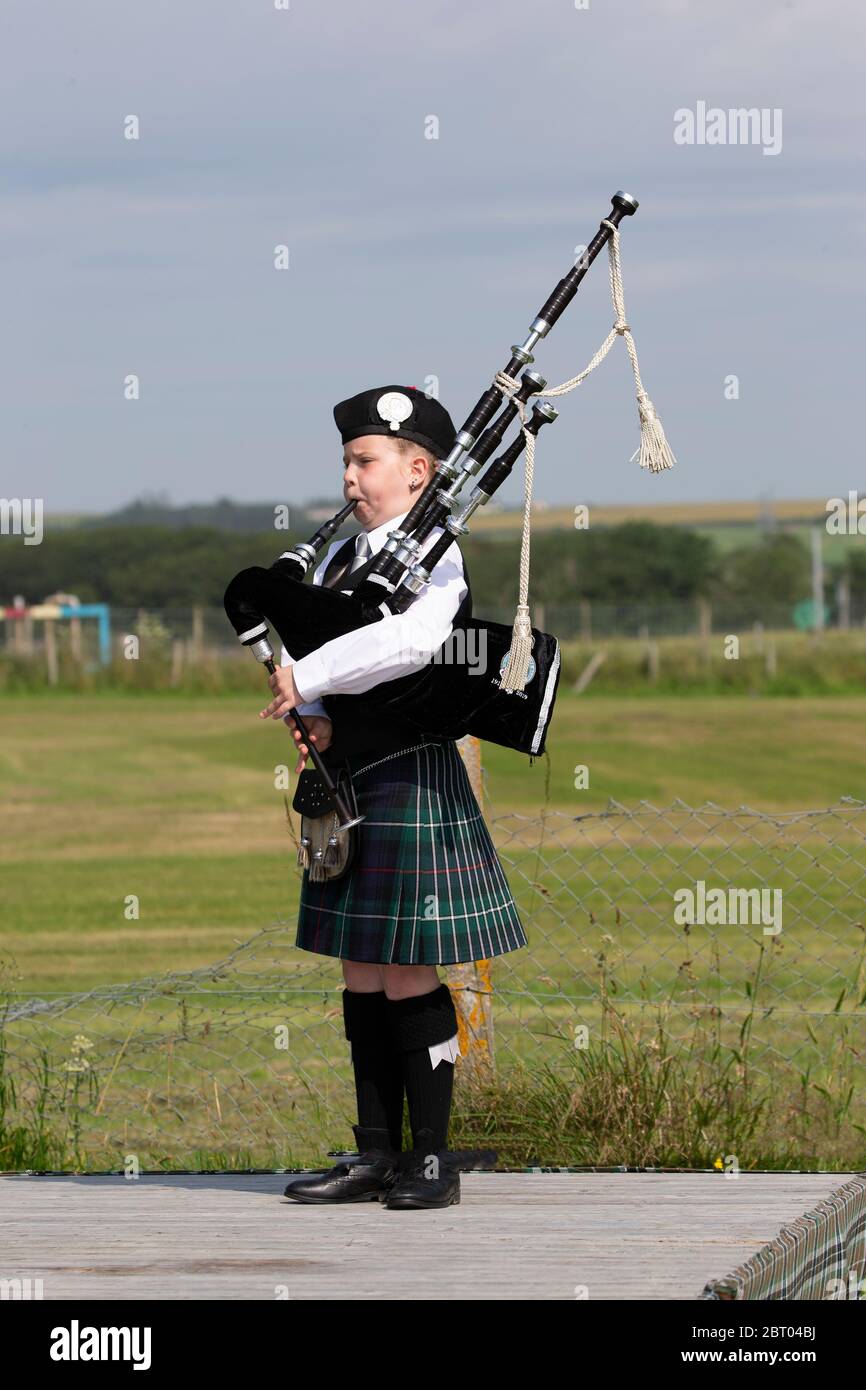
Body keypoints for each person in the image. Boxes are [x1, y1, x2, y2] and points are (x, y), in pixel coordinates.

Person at [258, 385, 527, 1210]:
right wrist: (309, 709)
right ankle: (375, 1153)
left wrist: (311, 676)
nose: (350, 477)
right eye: (345, 460)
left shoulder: (436, 556)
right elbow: (318, 640)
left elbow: (413, 642)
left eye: (366, 460)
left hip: (411, 776)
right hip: (349, 783)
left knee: (411, 973)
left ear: (419, 471)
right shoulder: (343, 562)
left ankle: (433, 1161)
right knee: (362, 972)